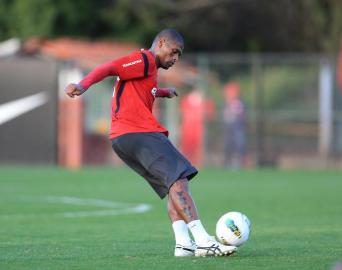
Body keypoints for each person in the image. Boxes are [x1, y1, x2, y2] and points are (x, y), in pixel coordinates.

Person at [64, 29, 237, 257]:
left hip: (124, 138)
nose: (176, 59)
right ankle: (203, 240)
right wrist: (83, 85)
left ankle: (184, 244)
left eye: (179, 55)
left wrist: (163, 92)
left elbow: (143, 90)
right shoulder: (144, 59)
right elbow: (109, 67)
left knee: (174, 182)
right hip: (137, 132)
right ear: (162, 43)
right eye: (174, 52)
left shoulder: (149, 70)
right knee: (178, 180)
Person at [223, 82, 247, 169]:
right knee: (228, 145)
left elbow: (242, 115)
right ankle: (227, 162)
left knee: (239, 145)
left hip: (237, 128)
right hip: (228, 129)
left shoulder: (240, 103)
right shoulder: (226, 103)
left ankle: (239, 162)